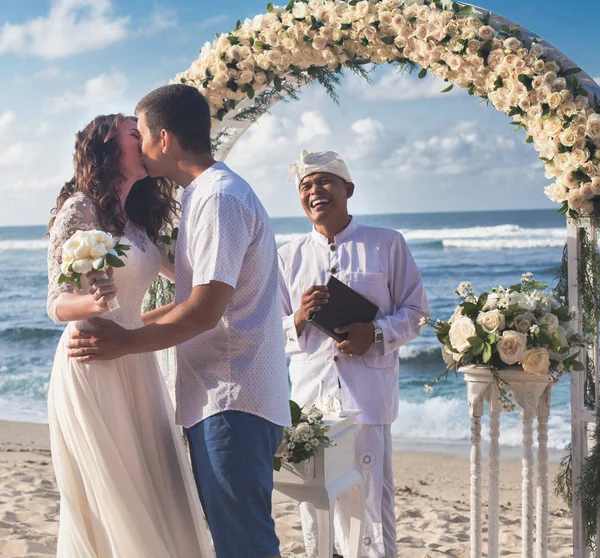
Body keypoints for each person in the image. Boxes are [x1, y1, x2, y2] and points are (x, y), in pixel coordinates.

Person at [65, 84, 291, 558]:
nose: (141, 146)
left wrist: (125, 345)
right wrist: (128, 327)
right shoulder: (207, 195)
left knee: (244, 544)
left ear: (164, 139)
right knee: (238, 537)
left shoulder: (218, 199)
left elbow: (204, 312)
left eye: (141, 132)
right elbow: (197, 300)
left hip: (231, 398)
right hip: (226, 397)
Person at [46, 114, 212, 557]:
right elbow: (56, 304)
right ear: (106, 149)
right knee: (117, 488)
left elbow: (185, 283)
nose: (144, 142)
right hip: (93, 360)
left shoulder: (137, 222)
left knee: (152, 480)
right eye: (134, 135)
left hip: (137, 361)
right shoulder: (79, 209)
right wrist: (94, 304)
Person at [278, 150, 430, 558]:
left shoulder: (387, 244)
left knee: (371, 511)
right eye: (305, 186)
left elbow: (417, 313)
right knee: (316, 508)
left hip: (368, 400)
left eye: (324, 181)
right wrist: (299, 316)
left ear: (348, 188)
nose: (315, 191)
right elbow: (267, 333)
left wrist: (375, 332)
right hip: (312, 405)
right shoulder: (287, 257)